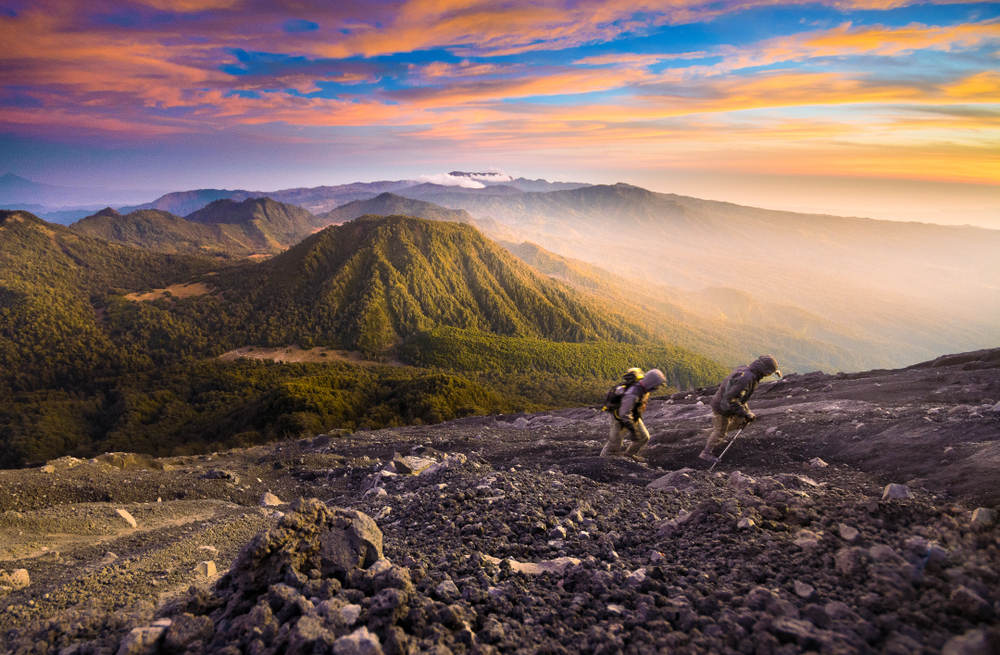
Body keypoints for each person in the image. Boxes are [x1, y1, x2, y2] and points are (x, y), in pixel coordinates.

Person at [699, 355, 781, 463]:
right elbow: (731, 398)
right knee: (720, 432)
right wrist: (744, 412)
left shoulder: (748, 370)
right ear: (763, 370)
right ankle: (706, 453)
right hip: (722, 407)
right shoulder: (746, 378)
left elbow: (740, 397)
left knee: (741, 422)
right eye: (769, 373)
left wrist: (747, 412)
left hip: (728, 404)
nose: (768, 375)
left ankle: (712, 433)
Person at [601, 367, 667, 461]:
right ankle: (603, 461)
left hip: (633, 416)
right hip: (619, 418)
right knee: (614, 444)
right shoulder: (631, 394)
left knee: (643, 437)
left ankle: (629, 455)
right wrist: (633, 430)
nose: (657, 388)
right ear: (651, 383)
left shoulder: (644, 388)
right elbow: (624, 414)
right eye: (657, 385)